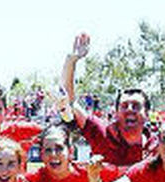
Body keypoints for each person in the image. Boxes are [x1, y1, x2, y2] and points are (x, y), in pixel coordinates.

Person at [58, 33, 154, 165]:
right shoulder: (102, 133)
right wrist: (72, 60)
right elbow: (68, 100)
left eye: (136, 106)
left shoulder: (157, 146)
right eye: (124, 106)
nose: (130, 110)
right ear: (116, 113)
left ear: (147, 114)